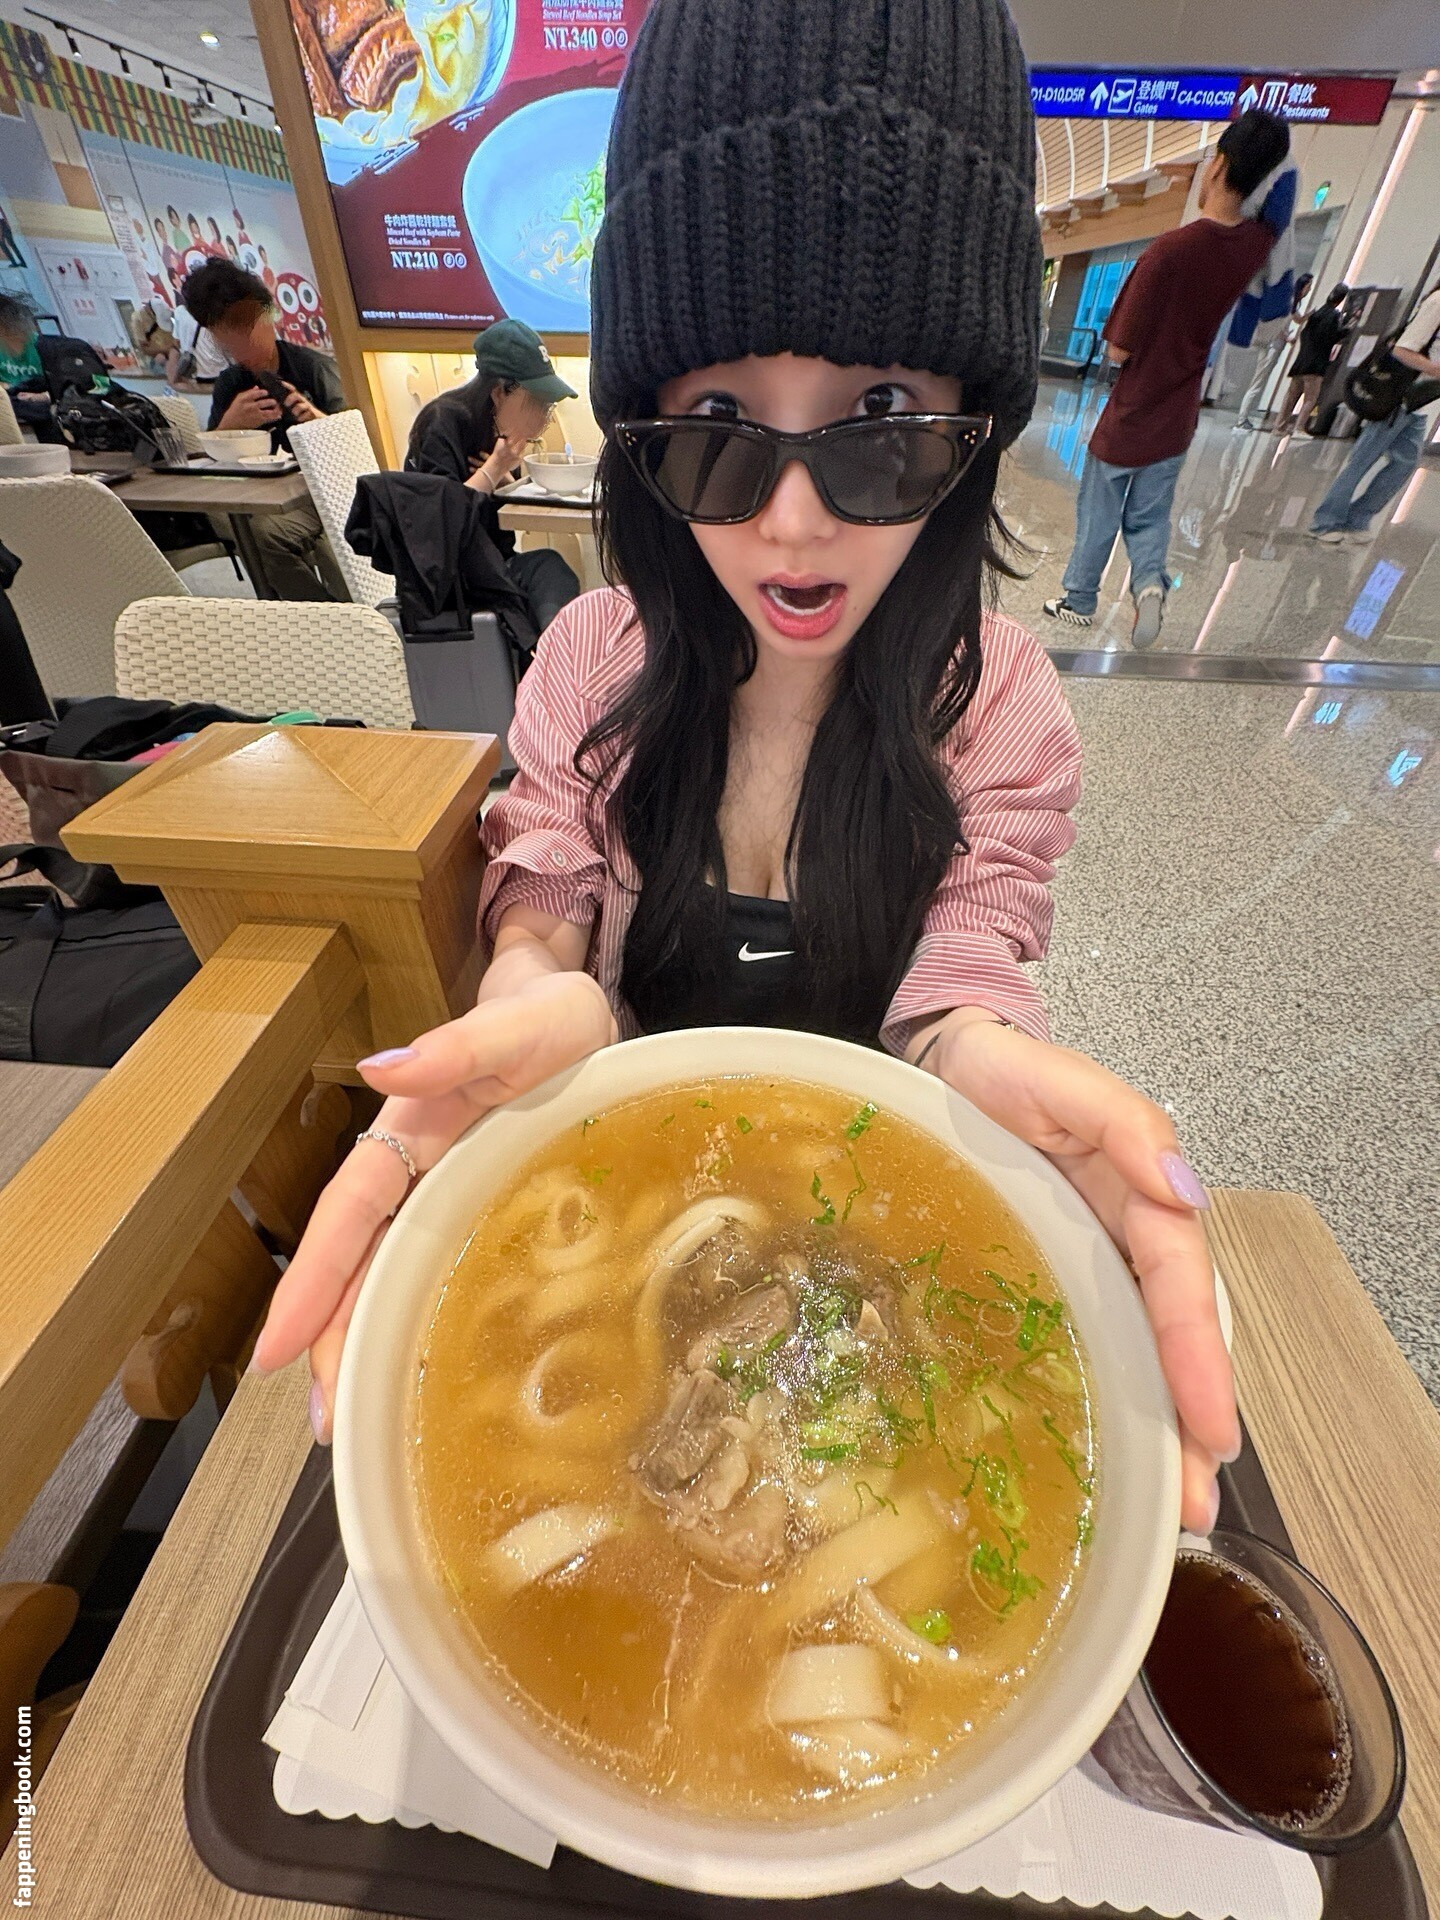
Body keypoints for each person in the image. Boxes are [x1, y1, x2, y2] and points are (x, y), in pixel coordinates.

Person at [247, 0, 1237, 1543]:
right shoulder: (593, 659)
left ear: (976, 428)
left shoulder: (1000, 707)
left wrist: (977, 1053)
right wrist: (533, 995)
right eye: (717, 424)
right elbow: (547, 911)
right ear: (639, 425)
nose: (792, 522)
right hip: (625, 1223)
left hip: (885, 1269)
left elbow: (965, 985)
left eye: (882, 421)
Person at [1042, 109, 1291, 648]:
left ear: (1217, 165)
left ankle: (1079, 600)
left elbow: (1118, 348)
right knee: (1150, 516)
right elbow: (1284, 201)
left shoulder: (1169, 251)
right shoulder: (1256, 244)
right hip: (1180, 416)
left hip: (1133, 412)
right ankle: (1150, 583)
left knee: (1100, 510)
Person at [181, 258, 348, 599]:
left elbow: (356, 450)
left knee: (263, 534)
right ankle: (314, 612)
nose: (244, 348)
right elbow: (212, 464)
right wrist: (229, 427)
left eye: (249, 330)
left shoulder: (313, 369)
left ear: (269, 316)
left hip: (320, 493)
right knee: (237, 523)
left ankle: (322, 615)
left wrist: (318, 423)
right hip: (260, 496)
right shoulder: (231, 384)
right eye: (229, 341)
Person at [405, 316, 583, 636]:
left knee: (552, 570)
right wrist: (493, 470)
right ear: (500, 392)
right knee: (543, 578)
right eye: (536, 402)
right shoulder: (441, 423)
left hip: (493, 565)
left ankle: (554, 655)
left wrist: (505, 482)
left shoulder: (502, 432)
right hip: (452, 582)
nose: (543, 416)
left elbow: (500, 527)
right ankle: (550, 656)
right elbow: (439, 523)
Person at [1307, 282, 1440, 545]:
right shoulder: (1437, 303)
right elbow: (1401, 350)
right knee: (1361, 461)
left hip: (1419, 402)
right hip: (1397, 399)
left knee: (1404, 464)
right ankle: (1325, 522)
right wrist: (1435, 370)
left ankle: (1358, 519)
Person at [1235, 270, 1311, 430]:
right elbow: (1280, 324)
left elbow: (1297, 319)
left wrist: (1307, 317)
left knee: (1258, 381)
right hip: (1272, 346)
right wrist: (1287, 337)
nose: (1308, 291)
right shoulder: (1289, 302)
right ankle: (1241, 419)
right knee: (1258, 382)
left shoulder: (1291, 302)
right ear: (1302, 286)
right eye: (1308, 287)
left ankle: (1243, 417)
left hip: (1272, 345)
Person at [1272, 282, 1348, 435]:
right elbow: (1333, 336)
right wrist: (1348, 329)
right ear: (1341, 300)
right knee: (1310, 399)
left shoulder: (1316, 314)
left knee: (1290, 397)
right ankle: (1299, 428)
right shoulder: (1334, 316)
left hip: (1301, 362)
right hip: (1316, 365)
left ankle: (1279, 427)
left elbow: (1305, 334)